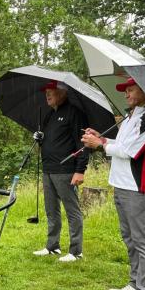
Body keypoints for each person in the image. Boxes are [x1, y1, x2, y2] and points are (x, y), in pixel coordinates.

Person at [82, 77, 145, 290]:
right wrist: (102, 139)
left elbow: (130, 151)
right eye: (125, 90)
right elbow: (120, 144)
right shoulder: (132, 115)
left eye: (131, 89)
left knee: (142, 240)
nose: (126, 93)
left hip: (136, 187)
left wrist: (99, 145)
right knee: (129, 237)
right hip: (120, 183)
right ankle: (135, 283)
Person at [33, 80, 89, 262]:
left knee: (72, 210)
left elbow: (82, 144)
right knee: (51, 209)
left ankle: (75, 251)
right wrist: (39, 138)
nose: (47, 95)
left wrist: (80, 170)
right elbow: (50, 142)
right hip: (48, 168)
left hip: (66, 170)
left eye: (51, 91)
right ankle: (52, 246)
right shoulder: (49, 115)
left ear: (63, 93)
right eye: (46, 92)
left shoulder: (74, 113)